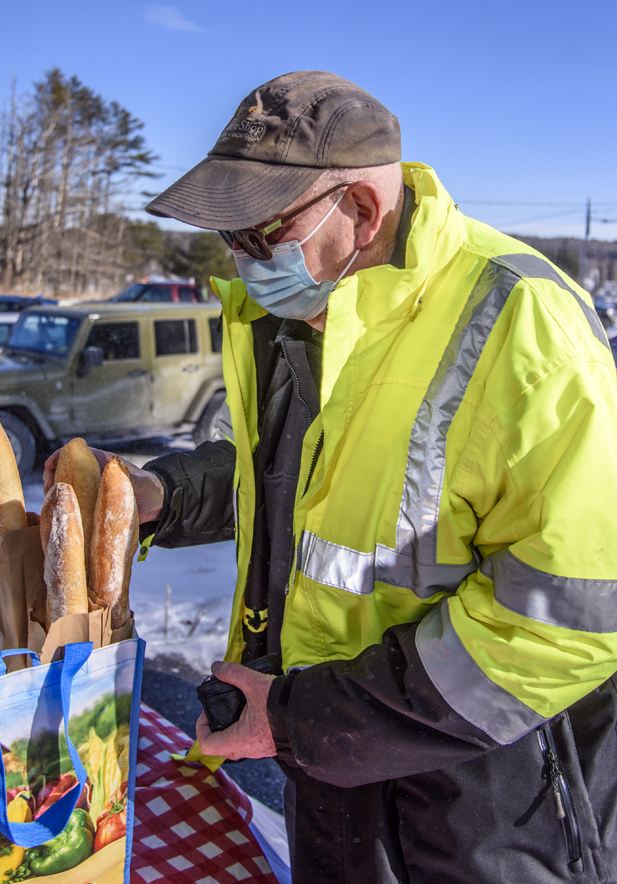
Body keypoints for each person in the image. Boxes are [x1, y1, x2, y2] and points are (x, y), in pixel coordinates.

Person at [45, 71, 617, 883]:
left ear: (361, 209)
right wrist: (164, 494)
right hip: (328, 776)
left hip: (482, 809)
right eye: (229, 237)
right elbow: (286, 483)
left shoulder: (525, 325)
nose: (243, 259)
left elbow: (565, 624)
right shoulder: (296, 319)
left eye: (260, 233)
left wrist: (301, 719)